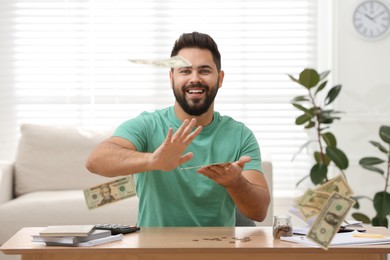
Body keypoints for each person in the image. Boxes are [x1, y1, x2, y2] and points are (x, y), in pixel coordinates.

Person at [86, 32, 270, 227]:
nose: (195, 78)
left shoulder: (240, 135)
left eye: (205, 70)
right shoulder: (147, 125)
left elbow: (259, 213)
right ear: (171, 77)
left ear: (220, 78)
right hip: (155, 252)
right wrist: (152, 160)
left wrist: (236, 182)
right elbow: (95, 161)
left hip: (217, 250)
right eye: (185, 71)